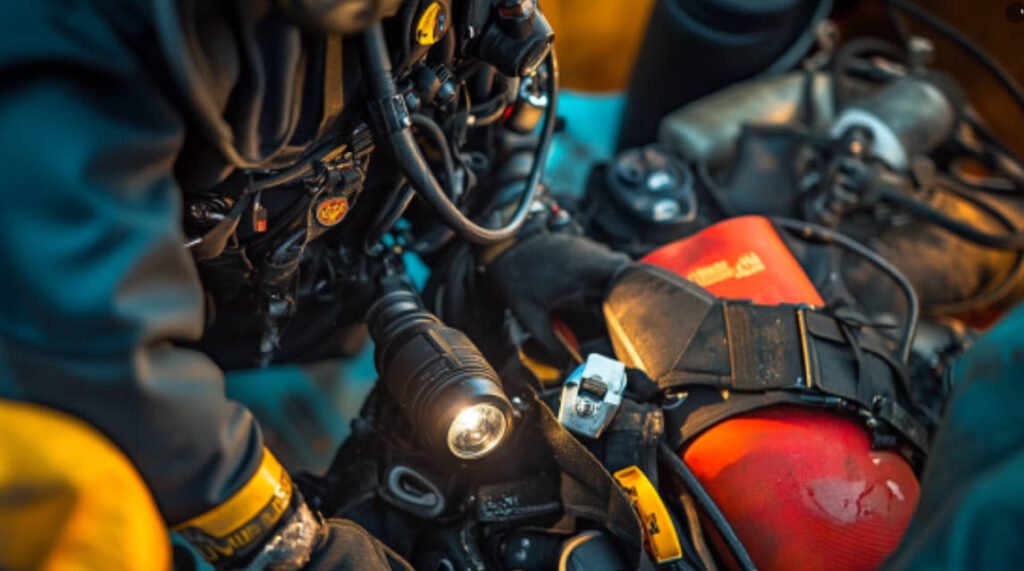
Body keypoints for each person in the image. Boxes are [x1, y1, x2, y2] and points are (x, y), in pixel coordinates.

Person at [0, 0, 449, 568]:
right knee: (101, 520)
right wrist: (289, 545)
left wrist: (517, 222)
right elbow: (81, 336)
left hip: (275, 307)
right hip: (70, 345)